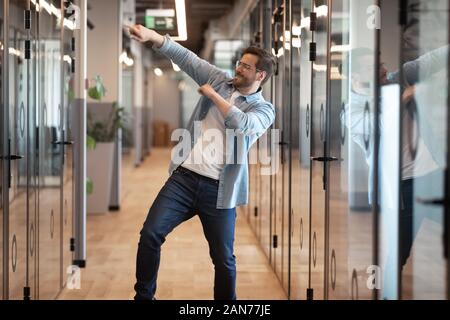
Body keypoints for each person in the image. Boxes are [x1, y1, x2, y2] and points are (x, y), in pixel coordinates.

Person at [128, 24, 277, 300]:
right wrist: (152, 37)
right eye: (239, 63)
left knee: (223, 259)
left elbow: (243, 125)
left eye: (246, 66)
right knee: (150, 234)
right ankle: (144, 297)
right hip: (184, 180)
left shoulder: (263, 109)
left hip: (219, 192)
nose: (239, 68)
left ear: (260, 75)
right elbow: (187, 58)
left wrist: (214, 97)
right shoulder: (219, 79)